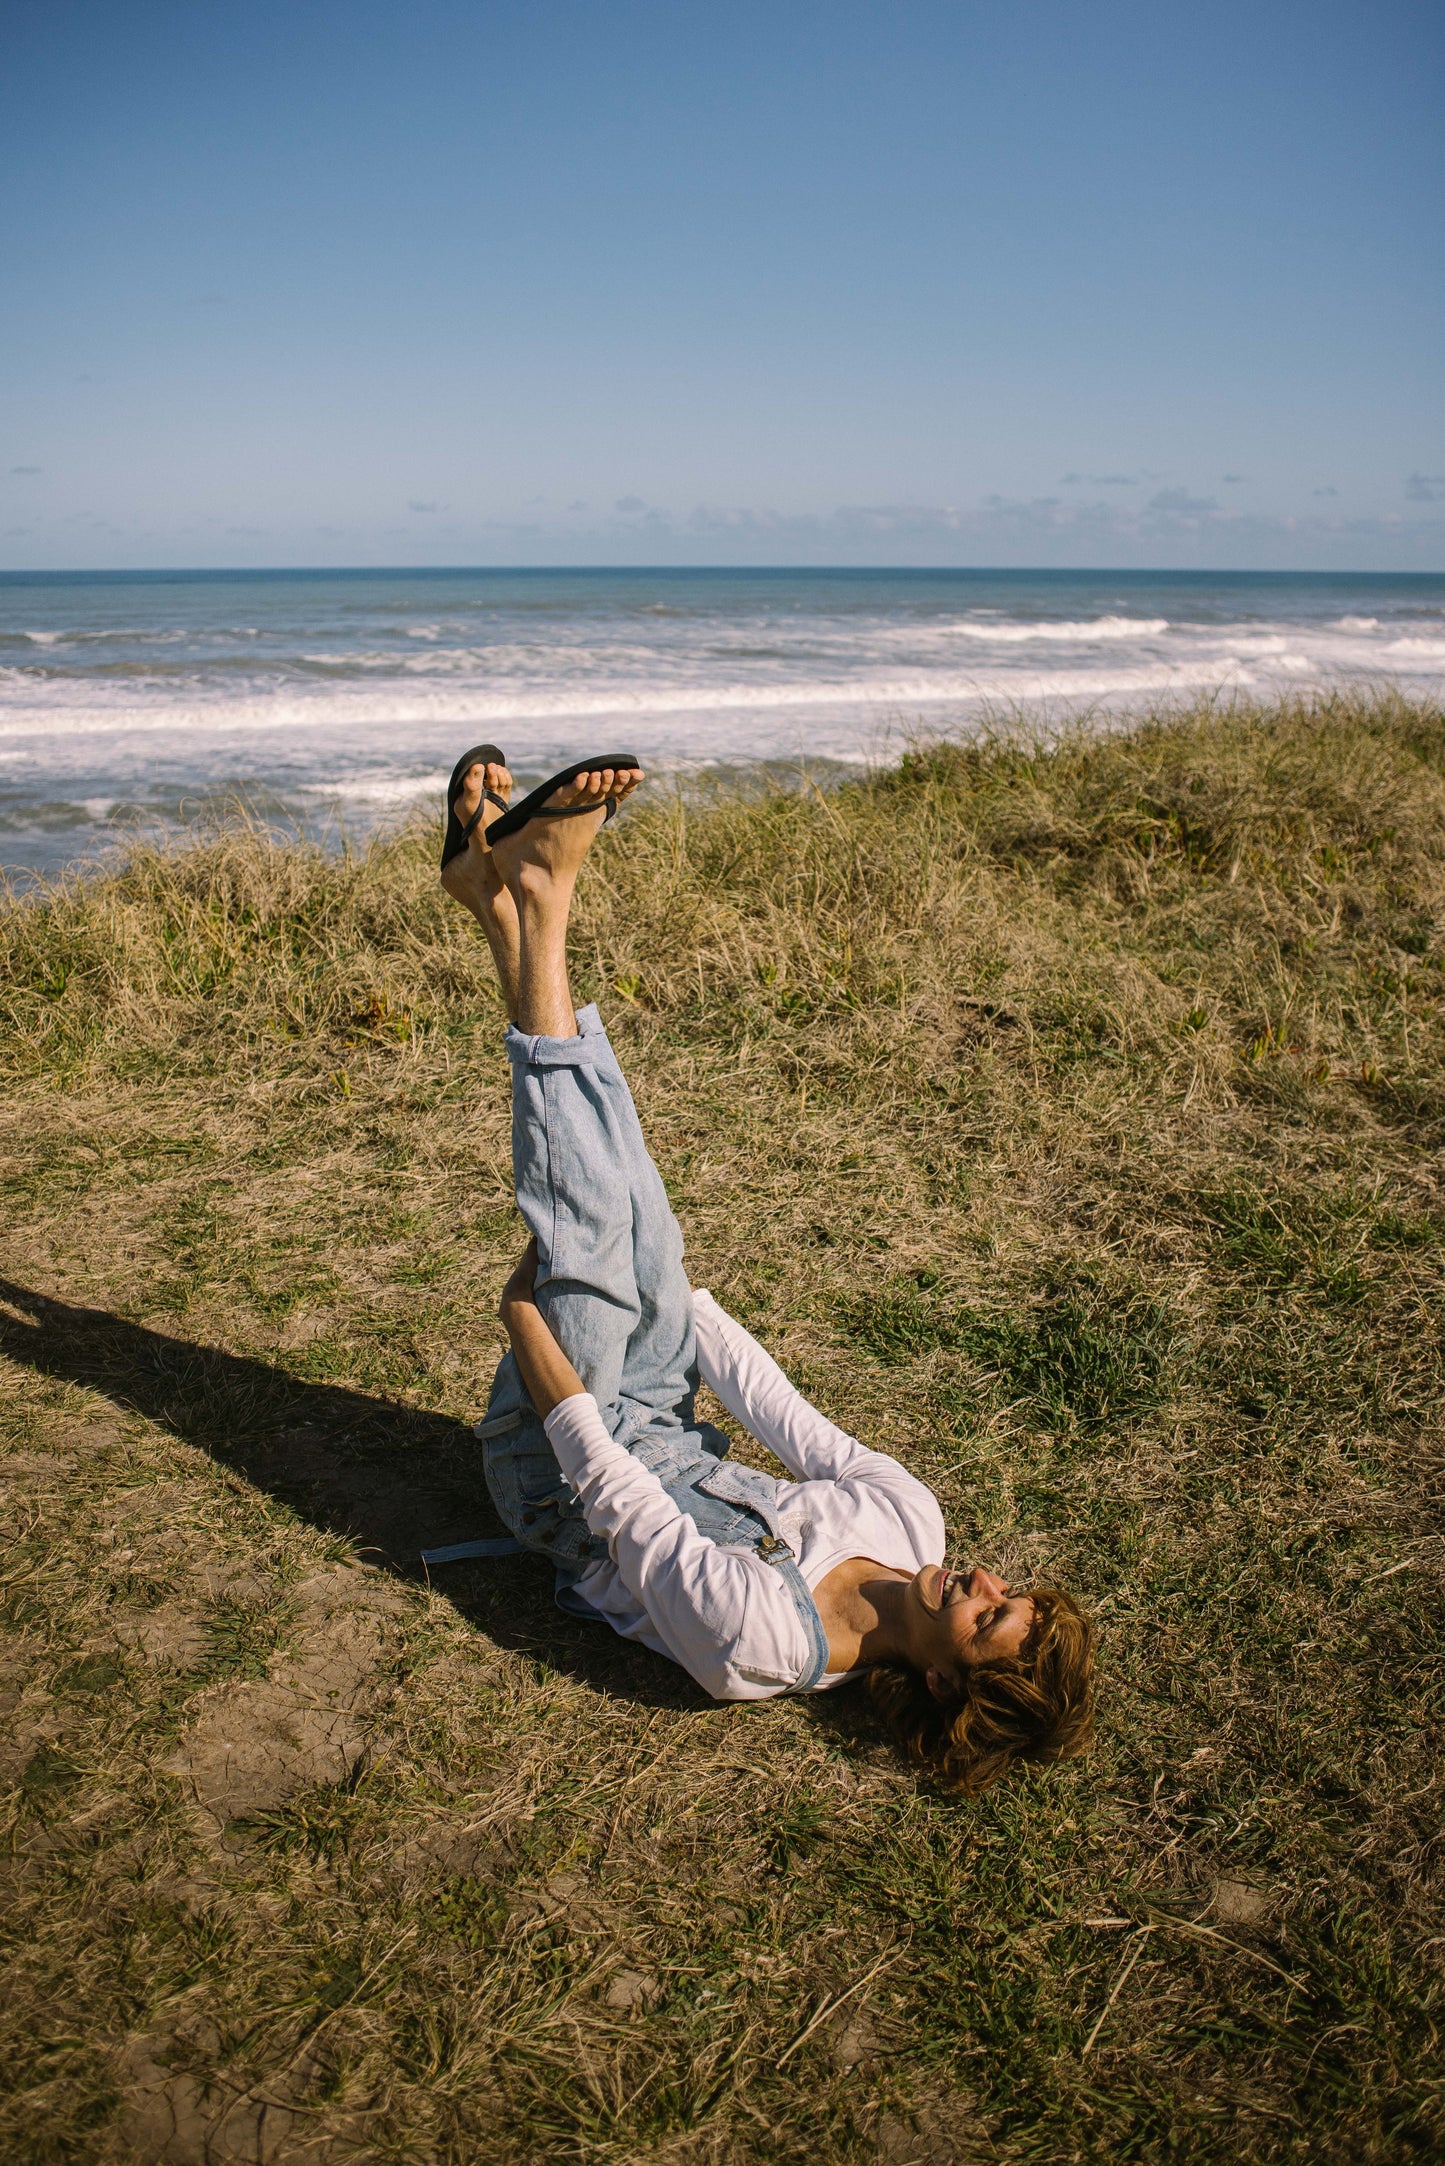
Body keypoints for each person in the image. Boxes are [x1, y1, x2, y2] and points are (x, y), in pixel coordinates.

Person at [439, 749, 1095, 1795]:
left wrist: (527, 1317)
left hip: (558, 1475)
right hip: (653, 1410)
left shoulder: (758, 1646)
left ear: (937, 1679)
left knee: (598, 1229)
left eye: (985, 1616)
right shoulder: (909, 1523)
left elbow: (618, 1500)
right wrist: (669, 1277)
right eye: (1006, 1589)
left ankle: (540, 893)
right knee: (626, 1195)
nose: (981, 1577)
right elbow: (779, 1412)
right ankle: (500, 898)